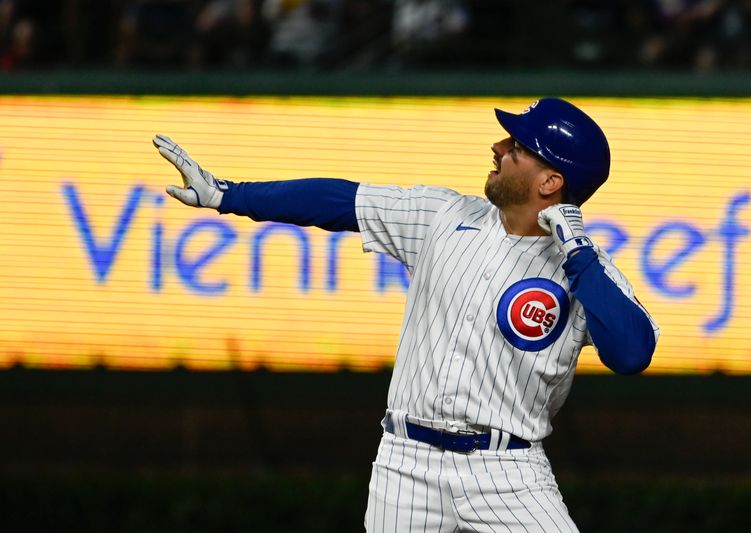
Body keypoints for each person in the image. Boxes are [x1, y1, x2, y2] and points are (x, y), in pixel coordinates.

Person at [153, 97, 659, 532]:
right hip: (406, 460)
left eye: (518, 147)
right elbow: (338, 200)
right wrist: (228, 195)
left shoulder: (585, 268)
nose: (499, 148)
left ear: (551, 181)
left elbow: (632, 354)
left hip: (509, 470)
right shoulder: (442, 216)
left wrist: (580, 255)